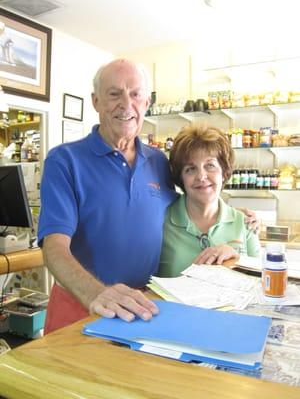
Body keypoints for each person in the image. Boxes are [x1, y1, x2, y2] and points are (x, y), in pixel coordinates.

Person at [38, 59, 259, 333]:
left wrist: (241, 220)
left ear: (146, 103)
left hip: (145, 307)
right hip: (81, 303)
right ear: (95, 101)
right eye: (114, 94)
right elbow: (54, 249)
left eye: (135, 94)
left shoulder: (158, 162)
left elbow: (198, 195)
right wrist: (96, 294)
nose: (126, 104)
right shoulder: (64, 161)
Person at [158, 123, 261, 278]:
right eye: (190, 169)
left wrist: (237, 259)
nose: (201, 176)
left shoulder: (245, 223)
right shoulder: (161, 221)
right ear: (181, 178)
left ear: (224, 172)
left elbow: (262, 281)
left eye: (210, 165)